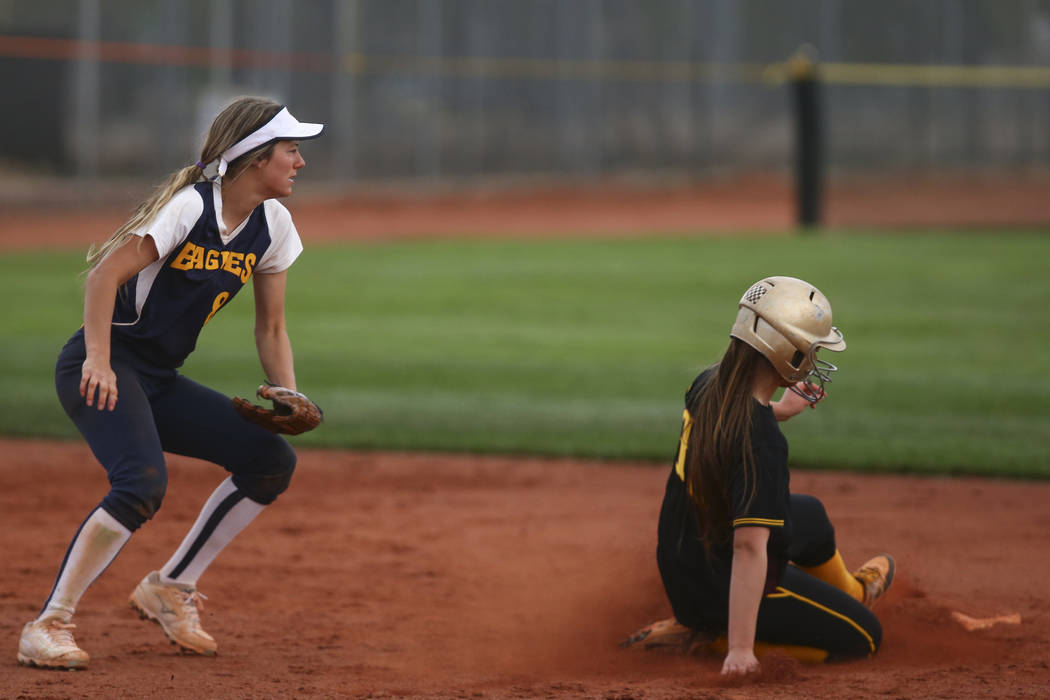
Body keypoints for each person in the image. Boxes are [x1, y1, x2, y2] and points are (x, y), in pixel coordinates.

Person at [17, 97, 325, 670]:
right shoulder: (191, 206)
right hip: (102, 364)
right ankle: (47, 624)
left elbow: (273, 326)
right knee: (140, 483)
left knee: (269, 460)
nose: (299, 161)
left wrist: (290, 394)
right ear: (256, 157)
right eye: (291, 149)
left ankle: (171, 586)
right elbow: (104, 274)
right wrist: (99, 362)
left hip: (157, 377)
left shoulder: (273, 225)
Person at [622, 276, 895, 676]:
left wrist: (781, 410)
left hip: (685, 553)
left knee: (810, 516)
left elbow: (733, 426)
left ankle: (854, 592)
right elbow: (749, 549)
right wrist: (739, 648)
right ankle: (705, 636)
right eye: (811, 349)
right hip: (717, 584)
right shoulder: (760, 443)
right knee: (865, 638)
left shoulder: (709, 383)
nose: (814, 358)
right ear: (789, 353)